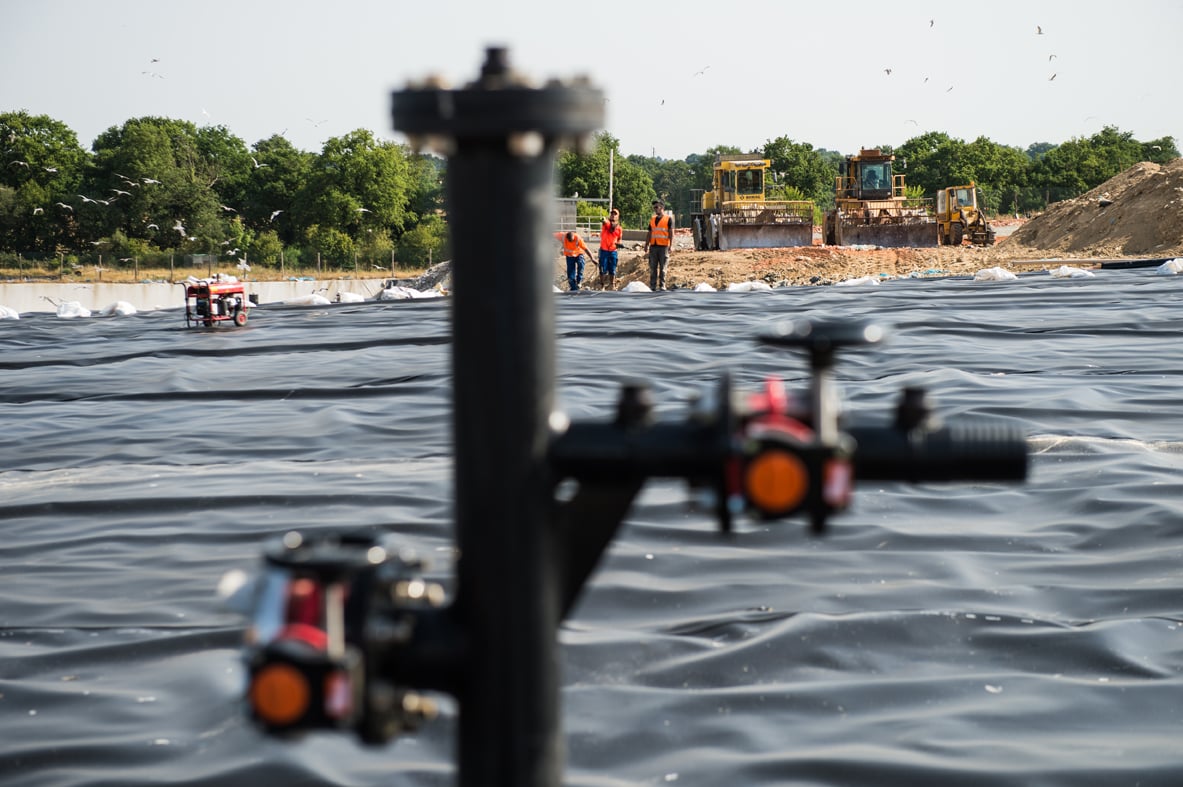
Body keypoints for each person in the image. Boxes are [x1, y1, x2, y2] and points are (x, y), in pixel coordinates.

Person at [645, 199, 674, 291]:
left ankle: (662, 285)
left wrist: (671, 245)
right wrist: (646, 244)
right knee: (653, 267)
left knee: (663, 268)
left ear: (662, 207)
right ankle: (653, 285)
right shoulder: (652, 219)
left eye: (657, 207)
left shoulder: (668, 219)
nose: (655, 209)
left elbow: (671, 233)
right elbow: (649, 233)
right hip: (654, 246)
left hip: (664, 246)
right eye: (654, 207)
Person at [597, 207, 623, 290]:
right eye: (612, 214)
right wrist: (603, 219)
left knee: (612, 269)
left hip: (613, 251)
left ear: (618, 217)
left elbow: (619, 238)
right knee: (602, 269)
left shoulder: (619, 229)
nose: (613, 215)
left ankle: (612, 285)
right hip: (604, 250)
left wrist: (619, 244)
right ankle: (602, 285)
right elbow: (604, 221)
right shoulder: (607, 224)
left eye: (615, 214)